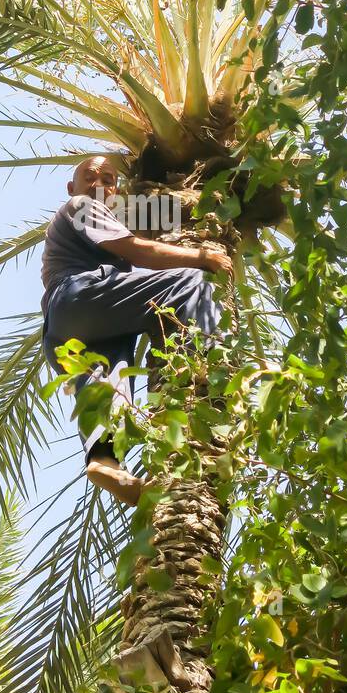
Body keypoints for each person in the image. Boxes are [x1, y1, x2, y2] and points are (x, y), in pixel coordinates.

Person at [41, 155, 233, 505]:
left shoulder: (110, 216)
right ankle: (205, 360)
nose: (99, 183)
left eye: (109, 178)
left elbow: (165, 218)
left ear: (118, 190)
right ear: (72, 188)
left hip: (68, 329)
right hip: (82, 293)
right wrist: (202, 255)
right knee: (191, 281)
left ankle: (104, 461)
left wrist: (195, 203)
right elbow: (136, 251)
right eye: (89, 176)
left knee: (107, 382)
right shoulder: (81, 206)